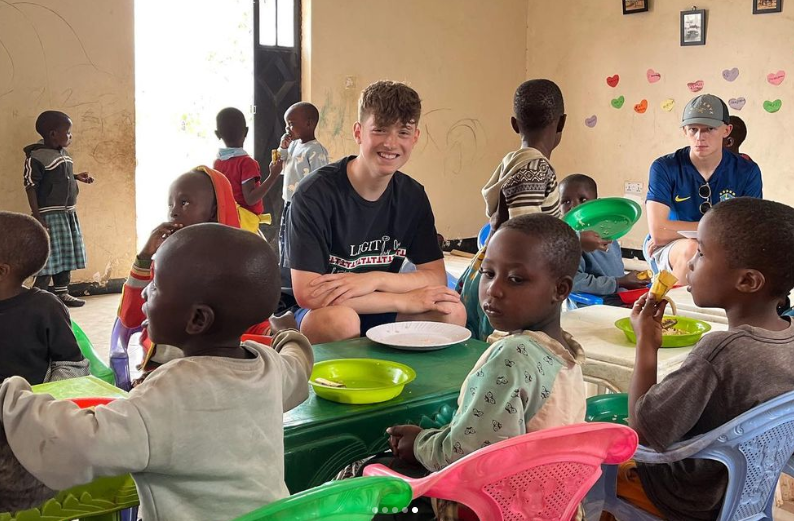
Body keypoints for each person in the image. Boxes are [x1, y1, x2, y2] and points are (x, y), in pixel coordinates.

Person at [0, 224, 314, 520]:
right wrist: (288, 335)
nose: (147, 293)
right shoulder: (269, 369)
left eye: (156, 285)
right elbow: (298, 368)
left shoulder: (169, 395)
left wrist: (12, 397)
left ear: (197, 320)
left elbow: (80, 441)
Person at [381, 214, 586, 521]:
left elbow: (468, 455)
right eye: (488, 273)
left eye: (516, 279)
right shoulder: (568, 355)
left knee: (376, 480)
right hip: (553, 507)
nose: (494, 290)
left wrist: (419, 443)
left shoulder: (512, 355)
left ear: (560, 290)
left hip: (491, 510)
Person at [619, 197, 794, 520]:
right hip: (748, 489)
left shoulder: (720, 353)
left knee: (593, 466)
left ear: (747, 281)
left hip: (684, 496)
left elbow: (641, 432)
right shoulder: (788, 339)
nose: (691, 264)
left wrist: (646, 343)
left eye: (701, 253)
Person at [287, 81, 465, 344]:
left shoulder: (412, 196)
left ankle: (408, 381)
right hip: (323, 311)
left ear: (415, 137)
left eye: (403, 133)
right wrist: (402, 299)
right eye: (380, 130)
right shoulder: (314, 194)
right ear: (359, 132)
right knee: (341, 321)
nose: (391, 143)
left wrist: (372, 279)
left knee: (451, 312)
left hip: (377, 303)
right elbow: (310, 294)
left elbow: (436, 276)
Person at [458, 79, 609, 340]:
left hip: (498, 275)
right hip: (510, 283)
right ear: (561, 123)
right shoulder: (535, 169)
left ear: (515, 124)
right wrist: (576, 240)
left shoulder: (515, 161)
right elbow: (525, 243)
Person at [115, 167, 270, 383]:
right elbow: (130, 318)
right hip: (161, 373)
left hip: (218, 374)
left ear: (214, 209)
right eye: (171, 204)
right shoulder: (166, 262)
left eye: (184, 203)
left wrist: (271, 333)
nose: (174, 212)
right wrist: (144, 257)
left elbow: (252, 324)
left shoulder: (236, 264)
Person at [644, 94, 762, 281]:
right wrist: (720, 230)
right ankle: (672, 309)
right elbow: (658, 232)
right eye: (693, 130)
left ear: (726, 130)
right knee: (692, 249)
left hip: (724, 247)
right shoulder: (664, 167)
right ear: (684, 130)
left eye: (709, 129)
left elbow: (748, 231)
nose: (700, 137)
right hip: (673, 246)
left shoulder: (747, 171)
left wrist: (682, 231)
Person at [0, 211, 89, 385]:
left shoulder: (45, 308)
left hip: (30, 405)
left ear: (2, 271)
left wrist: (44, 400)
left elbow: (72, 366)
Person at [24, 110, 95, 307]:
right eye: (68, 132)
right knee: (49, 255)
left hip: (68, 213)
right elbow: (31, 186)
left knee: (66, 253)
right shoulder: (36, 157)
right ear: (53, 134)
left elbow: (59, 178)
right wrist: (37, 216)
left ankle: (62, 292)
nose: (71, 136)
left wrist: (77, 177)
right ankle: (38, 295)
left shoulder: (64, 154)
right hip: (49, 214)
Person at [560, 174, 647, 297]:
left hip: (619, 300)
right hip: (591, 308)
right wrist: (619, 282)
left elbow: (617, 275)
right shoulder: (570, 244)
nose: (575, 206)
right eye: (566, 201)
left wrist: (630, 281)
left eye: (583, 200)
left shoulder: (611, 237)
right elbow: (574, 282)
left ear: (597, 205)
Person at [272, 102, 330, 282]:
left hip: (304, 207)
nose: (288, 128)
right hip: (289, 203)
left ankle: (295, 279)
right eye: (286, 124)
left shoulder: (315, 150)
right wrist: (282, 147)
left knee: (297, 243)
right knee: (285, 241)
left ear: (309, 123)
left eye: (291, 123)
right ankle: (285, 278)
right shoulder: (294, 145)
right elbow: (281, 168)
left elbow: (320, 182)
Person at [214, 107, 280, 231]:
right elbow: (250, 199)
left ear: (217, 134)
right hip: (245, 222)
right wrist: (273, 175)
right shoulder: (246, 163)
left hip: (227, 219)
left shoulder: (218, 163)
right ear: (246, 132)